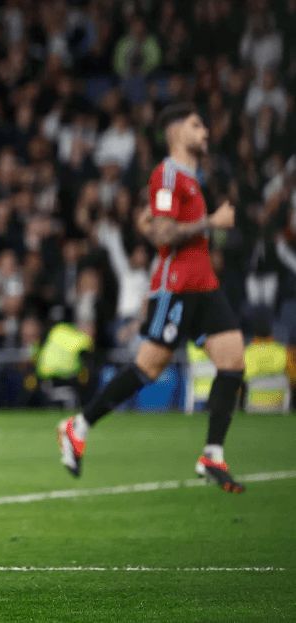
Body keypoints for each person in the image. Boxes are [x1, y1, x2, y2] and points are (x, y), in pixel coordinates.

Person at [57, 102, 246, 493]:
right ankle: (79, 425)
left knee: (233, 361)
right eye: (197, 125)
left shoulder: (191, 178)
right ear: (176, 132)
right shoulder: (168, 174)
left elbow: (153, 224)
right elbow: (162, 233)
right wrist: (211, 221)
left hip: (205, 286)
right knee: (148, 368)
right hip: (177, 286)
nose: (205, 132)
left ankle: (212, 454)